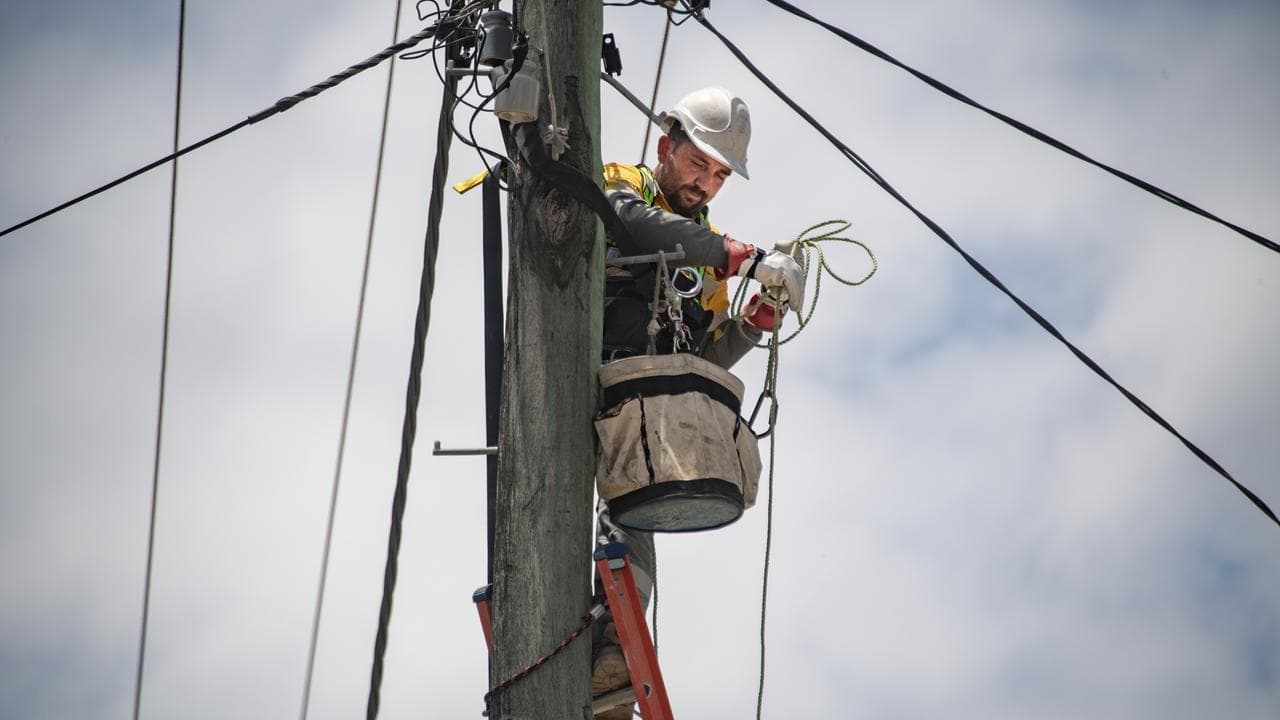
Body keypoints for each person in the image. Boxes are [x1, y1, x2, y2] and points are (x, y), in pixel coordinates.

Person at [590, 86, 804, 718]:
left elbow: (699, 361)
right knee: (572, 503)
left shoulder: (708, 254)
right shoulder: (622, 183)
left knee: (637, 507)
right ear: (666, 147)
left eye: (718, 175)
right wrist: (742, 257)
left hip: (635, 406)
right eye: (697, 164)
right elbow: (627, 219)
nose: (705, 184)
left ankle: (611, 657)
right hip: (576, 375)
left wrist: (755, 322)